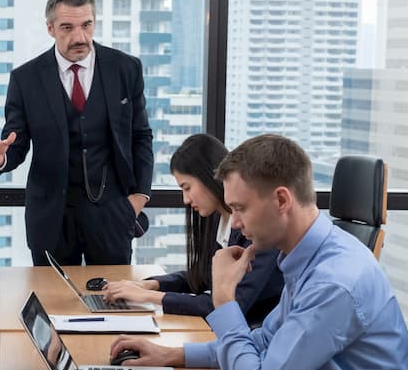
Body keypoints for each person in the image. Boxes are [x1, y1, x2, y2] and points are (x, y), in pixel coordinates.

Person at [109, 135, 408, 370]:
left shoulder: (333, 283)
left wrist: (224, 300)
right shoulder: (306, 258)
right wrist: (171, 355)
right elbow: (264, 342)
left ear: (282, 200)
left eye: (240, 208)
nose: (236, 222)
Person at [0, 0, 154, 266]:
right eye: (67, 27)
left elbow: (141, 136)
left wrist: (139, 198)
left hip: (112, 213)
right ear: (50, 28)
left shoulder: (126, 69)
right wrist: (3, 158)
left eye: (86, 25)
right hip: (51, 219)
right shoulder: (26, 79)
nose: (79, 37)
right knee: (52, 301)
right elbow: (16, 143)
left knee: (115, 302)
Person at [102, 134, 283, 323]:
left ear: (208, 176)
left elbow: (227, 305)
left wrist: (148, 296)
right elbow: (203, 276)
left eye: (187, 188)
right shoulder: (218, 220)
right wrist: (150, 284)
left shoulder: (258, 230)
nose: (186, 200)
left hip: (254, 335)